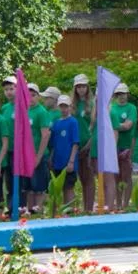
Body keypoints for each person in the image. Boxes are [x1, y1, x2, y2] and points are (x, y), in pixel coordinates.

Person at [70, 74, 96, 211]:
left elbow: (95, 126)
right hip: (75, 145)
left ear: (87, 87)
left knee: (89, 178)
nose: (81, 89)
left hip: (88, 144)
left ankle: (89, 208)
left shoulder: (92, 104)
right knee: (81, 178)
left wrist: (89, 144)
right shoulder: (72, 105)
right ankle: (82, 208)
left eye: (83, 86)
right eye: (78, 87)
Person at [109, 83, 137, 209]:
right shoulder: (112, 108)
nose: (121, 96)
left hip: (127, 145)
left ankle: (126, 204)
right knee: (116, 176)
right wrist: (120, 125)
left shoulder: (132, 108)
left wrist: (114, 125)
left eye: (123, 93)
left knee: (126, 176)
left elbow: (128, 126)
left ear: (127, 94)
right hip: (114, 145)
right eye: (119, 94)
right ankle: (118, 203)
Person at [49, 95, 81, 203]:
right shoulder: (56, 123)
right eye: (61, 106)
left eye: (66, 106)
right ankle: (59, 210)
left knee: (68, 187)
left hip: (68, 161)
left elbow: (75, 143)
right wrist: (51, 158)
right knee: (57, 188)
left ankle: (70, 210)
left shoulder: (73, 122)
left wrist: (71, 161)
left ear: (70, 107)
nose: (63, 109)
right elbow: (54, 143)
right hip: (57, 161)